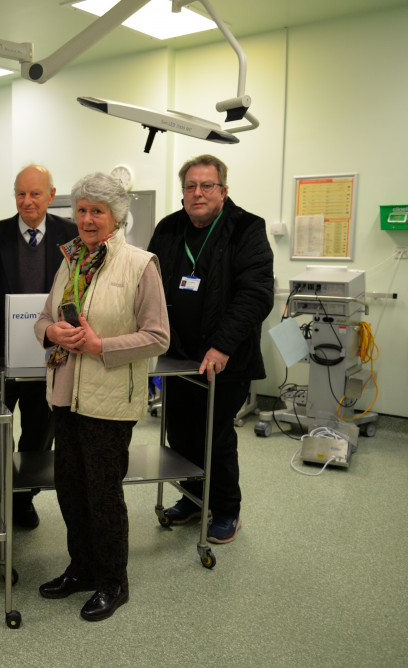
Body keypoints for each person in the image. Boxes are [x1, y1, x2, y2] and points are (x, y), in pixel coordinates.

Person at [34, 172, 169, 622]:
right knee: (70, 489)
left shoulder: (140, 264)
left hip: (110, 400)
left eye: (98, 211)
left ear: (116, 217)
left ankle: (114, 581)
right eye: (82, 210)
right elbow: (44, 319)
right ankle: (82, 569)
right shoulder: (70, 260)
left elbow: (157, 337)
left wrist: (100, 346)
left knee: (102, 493)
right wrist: (51, 331)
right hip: (65, 395)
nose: (87, 219)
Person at [146, 154, 274, 544]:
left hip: (225, 359)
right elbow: (147, 284)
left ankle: (227, 509)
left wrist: (221, 346)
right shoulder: (169, 228)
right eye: (190, 186)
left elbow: (256, 295)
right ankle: (194, 497)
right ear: (183, 191)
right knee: (181, 432)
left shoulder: (246, 229)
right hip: (178, 356)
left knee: (215, 435)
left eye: (207, 186)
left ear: (223, 190)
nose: (197, 193)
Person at [0, 164, 78, 528]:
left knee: (39, 431)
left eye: (35, 194)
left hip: (49, 356)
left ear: (51, 194)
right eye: (21, 193)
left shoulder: (72, 235)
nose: (27, 201)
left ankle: (22, 498)